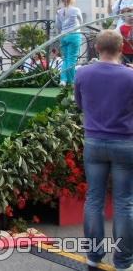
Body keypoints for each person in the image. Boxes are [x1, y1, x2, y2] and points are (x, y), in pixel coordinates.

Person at [74, 29, 133, 271]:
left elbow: (79, 104)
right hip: (125, 143)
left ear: (97, 48)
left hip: (95, 142)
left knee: (94, 200)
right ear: (122, 49)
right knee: (124, 203)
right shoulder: (131, 76)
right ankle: (123, 262)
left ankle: (93, 258)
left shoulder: (83, 74)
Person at [55, 0, 83, 85]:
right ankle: (72, 81)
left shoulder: (59, 11)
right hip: (74, 35)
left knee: (66, 58)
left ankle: (63, 79)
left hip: (63, 36)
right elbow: (81, 22)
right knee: (72, 58)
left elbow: (58, 26)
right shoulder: (76, 10)